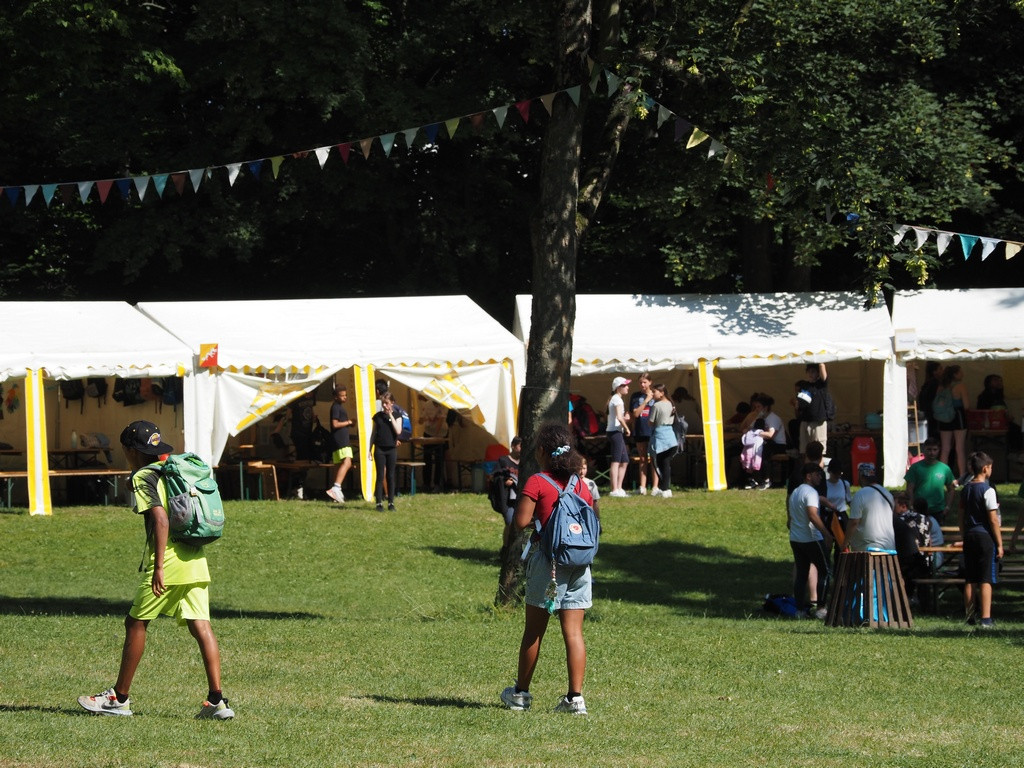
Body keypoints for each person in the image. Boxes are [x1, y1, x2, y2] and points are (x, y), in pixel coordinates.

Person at [78, 420, 234, 720]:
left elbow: (161, 520)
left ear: (130, 450)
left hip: (169, 561)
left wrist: (159, 567)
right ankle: (217, 701)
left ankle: (119, 698)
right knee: (201, 626)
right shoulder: (168, 469)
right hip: (195, 559)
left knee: (136, 623)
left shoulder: (143, 477)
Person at [501, 423, 596, 715]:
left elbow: (519, 522)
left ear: (542, 451)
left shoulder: (537, 482)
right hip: (580, 563)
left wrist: (542, 521)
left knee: (534, 631)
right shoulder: (580, 484)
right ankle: (575, 699)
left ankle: (520, 695)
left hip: (549, 562)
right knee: (574, 633)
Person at [960, 451, 1003, 628]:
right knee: (986, 578)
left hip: (969, 534)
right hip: (985, 536)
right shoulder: (988, 490)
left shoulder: (966, 489)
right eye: (991, 467)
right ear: (985, 469)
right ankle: (986, 618)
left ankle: (970, 616)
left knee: (970, 578)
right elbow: (993, 519)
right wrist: (999, 544)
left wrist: (963, 534)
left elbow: (961, 515)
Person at [788, 462, 830, 619]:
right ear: (808, 476)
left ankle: (799, 610)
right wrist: (826, 534)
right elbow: (812, 515)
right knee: (825, 571)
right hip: (811, 538)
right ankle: (821, 609)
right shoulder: (811, 492)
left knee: (801, 574)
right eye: (817, 474)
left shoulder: (795, 492)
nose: (820, 477)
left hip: (796, 538)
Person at [903, 436, 957, 523]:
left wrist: (947, 507)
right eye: (929, 449)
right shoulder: (915, 468)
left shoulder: (944, 468)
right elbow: (909, 489)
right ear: (923, 450)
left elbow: (951, 489)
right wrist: (912, 506)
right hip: (919, 509)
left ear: (939, 450)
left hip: (938, 510)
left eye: (935, 450)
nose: (932, 453)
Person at [845, 467, 896, 552]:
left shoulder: (860, 494)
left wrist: (845, 543)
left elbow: (854, 522)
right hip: (889, 548)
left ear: (861, 477)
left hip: (867, 549)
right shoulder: (887, 494)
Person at [370, 390, 402, 512]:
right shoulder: (377, 416)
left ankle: (391, 502)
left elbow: (398, 431)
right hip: (379, 449)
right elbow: (373, 433)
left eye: (387, 403)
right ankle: (379, 502)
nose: (384, 405)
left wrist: (390, 416)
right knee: (380, 475)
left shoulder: (397, 416)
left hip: (391, 449)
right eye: (383, 403)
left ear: (392, 403)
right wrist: (369, 449)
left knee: (390, 475)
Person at [935, 364, 968, 478]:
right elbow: (966, 405)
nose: (963, 374)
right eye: (960, 372)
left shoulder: (941, 386)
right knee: (959, 448)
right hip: (958, 416)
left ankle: (941, 476)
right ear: (955, 374)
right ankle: (962, 475)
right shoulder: (960, 386)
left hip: (944, 417)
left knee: (945, 448)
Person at [647, 383, 677, 498]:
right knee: (666, 464)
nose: (652, 394)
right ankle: (666, 488)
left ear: (661, 393)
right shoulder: (671, 404)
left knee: (659, 464)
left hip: (660, 437)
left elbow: (651, 422)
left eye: (654, 392)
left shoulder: (656, 405)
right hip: (671, 437)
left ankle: (665, 488)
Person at [629, 373, 656, 495]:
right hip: (640, 430)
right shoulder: (636, 396)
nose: (642, 385)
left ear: (650, 382)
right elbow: (635, 414)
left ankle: (655, 486)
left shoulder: (656, 394)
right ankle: (642, 487)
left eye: (645, 382)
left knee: (654, 458)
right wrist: (646, 401)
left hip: (653, 430)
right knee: (643, 458)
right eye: (640, 382)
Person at [326, 385, 354, 504]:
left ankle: (336, 493)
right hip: (341, 440)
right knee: (347, 462)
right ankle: (336, 488)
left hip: (336, 440)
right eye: (342, 396)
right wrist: (348, 422)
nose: (344, 397)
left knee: (338, 465)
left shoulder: (337, 407)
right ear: (335, 397)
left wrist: (349, 423)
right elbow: (335, 424)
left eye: (345, 395)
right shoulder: (336, 407)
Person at [605, 376, 632, 498]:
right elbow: (619, 418)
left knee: (624, 460)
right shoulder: (617, 399)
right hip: (615, 432)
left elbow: (619, 417)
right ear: (618, 388)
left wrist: (625, 419)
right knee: (616, 460)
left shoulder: (617, 399)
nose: (627, 387)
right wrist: (627, 428)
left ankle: (619, 488)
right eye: (624, 385)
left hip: (615, 431)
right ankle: (614, 489)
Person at [796, 363, 830, 456]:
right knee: (804, 450)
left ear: (818, 373)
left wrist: (819, 362)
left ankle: (819, 465)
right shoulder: (804, 385)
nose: (810, 374)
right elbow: (800, 404)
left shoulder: (821, 384)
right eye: (809, 371)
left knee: (818, 450)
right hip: (805, 421)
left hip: (818, 422)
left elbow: (823, 369)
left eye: (813, 372)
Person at [417, 395, 448, 492]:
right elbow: (420, 420)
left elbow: (440, 421)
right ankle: (426, 484)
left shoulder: (444, 405)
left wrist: (436, 436)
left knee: (439, 460)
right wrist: (423, 419)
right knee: (427, 458)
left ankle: (437, 484)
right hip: (428, 432)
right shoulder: (427, 404)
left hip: (441, 434)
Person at [916, 361, 943, 439]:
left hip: (928, 413)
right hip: (932, 414)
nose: (942, 371)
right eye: (940, 369)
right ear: (934, 372)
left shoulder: (928, 382)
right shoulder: (935, 383)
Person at [739, 418, 766, 489]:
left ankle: (750, 482)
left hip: (747, 453)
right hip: (755, 453)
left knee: (748, 470)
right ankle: (760, 482)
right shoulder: (760, 432)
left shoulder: (749, 432)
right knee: (756, 468)